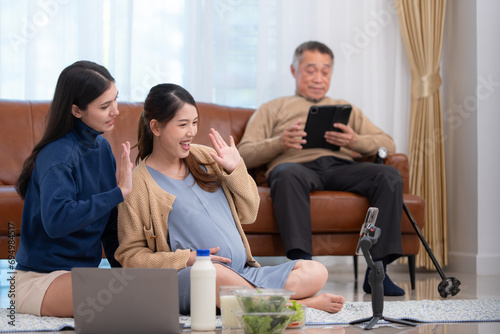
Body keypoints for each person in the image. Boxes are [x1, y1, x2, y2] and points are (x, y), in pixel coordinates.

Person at [115, 83, 345, 314]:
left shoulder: (205, 157)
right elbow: (130, 256)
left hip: (242, 273)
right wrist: (187, 259)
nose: (191, 132)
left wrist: (236, 169)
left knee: (315, 271)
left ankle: (248, 301)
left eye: (194, 123)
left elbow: (249, 212)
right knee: (213, 274)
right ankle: (298, 305)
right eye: (182, 124)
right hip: (192, 277)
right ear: (156, 127)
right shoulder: (138, 184)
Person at [237, 41, 406, 296]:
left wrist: (354, 141)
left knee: (389, 175)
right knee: (286, 174)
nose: (318, 78)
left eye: (325, 71)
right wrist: (279, 142)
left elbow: (388, 143)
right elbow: (244, 154)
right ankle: (304, 267)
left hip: (340, 167)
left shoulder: (345, 108)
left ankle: (377, 271)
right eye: (310, 70)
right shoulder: (273, 108)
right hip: (295, 167)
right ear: (294, 71)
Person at [14, 61, 133, 317]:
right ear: (77, 111)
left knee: (140, 296)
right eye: (104, 106)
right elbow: (56, 221)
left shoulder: (102, 150)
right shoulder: (57, 154)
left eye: (115, 100)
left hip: (80, 277)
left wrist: (126, 276)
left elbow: (110, 229)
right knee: (119, 306)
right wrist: (118, 192)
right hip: (40, 279)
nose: (116, 111)